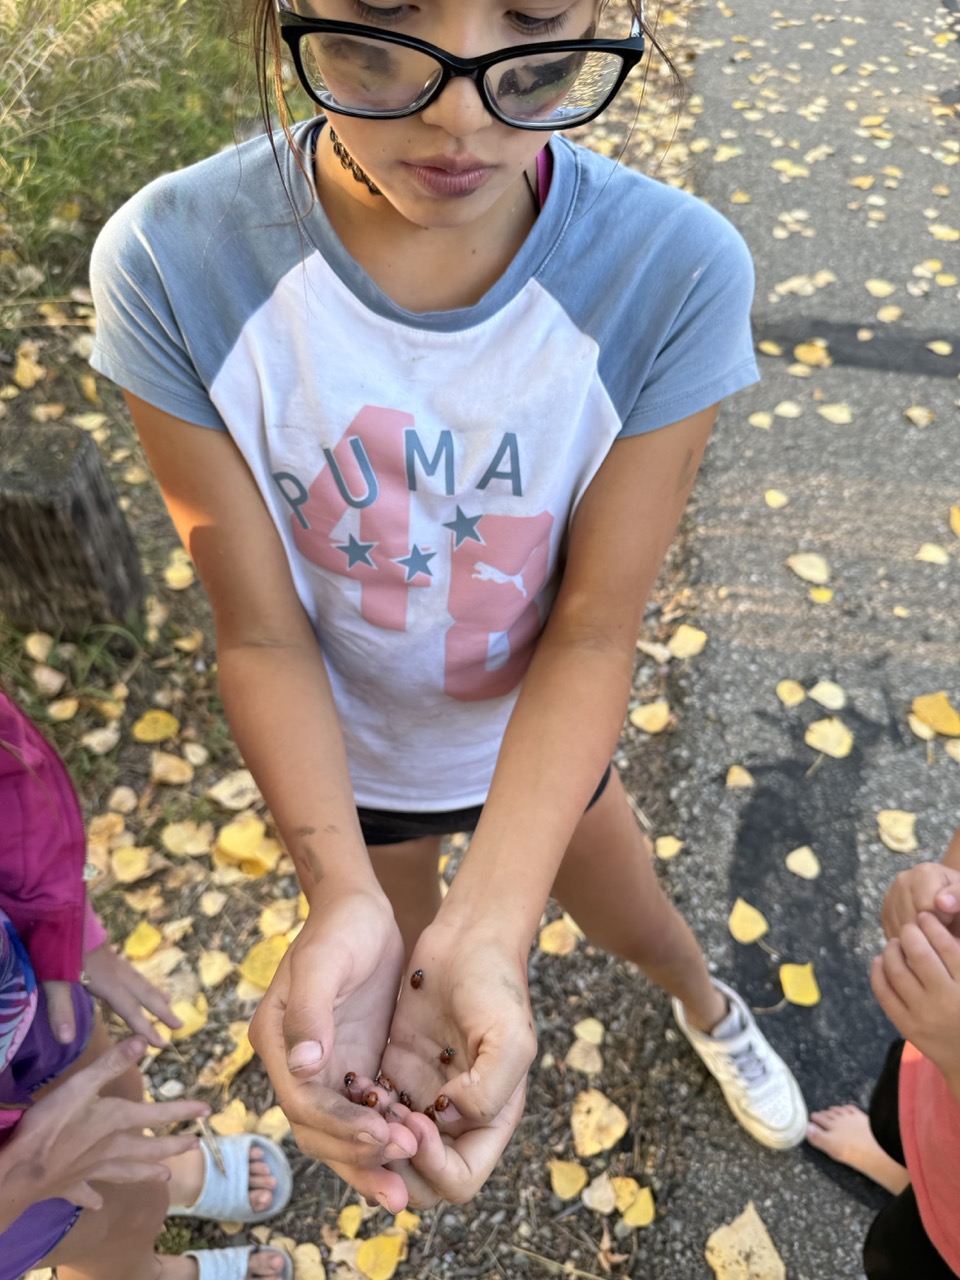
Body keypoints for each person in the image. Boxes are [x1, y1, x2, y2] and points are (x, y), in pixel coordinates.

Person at [88, 0, 807, 1212]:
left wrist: (497, 927)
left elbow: (592, 629)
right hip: (350, 773)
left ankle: (707, 1003)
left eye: (535, 25)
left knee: (640, 918)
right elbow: (260, 630)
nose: (462, 116)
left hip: (539, 747)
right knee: (392, 969)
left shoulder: (672, 272)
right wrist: (341, 894)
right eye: (378, 26)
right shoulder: (174, 263)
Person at [0, 689, 294, 1280]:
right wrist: (18, 1180)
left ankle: (157, 1178)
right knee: (104, 1218)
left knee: (111, 1087)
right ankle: (142, 1267)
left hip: (18, 992)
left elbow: (10, 781)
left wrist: (65, 926)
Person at [807, 828, 960, 1279]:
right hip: (937, 1074)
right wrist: (939, 895)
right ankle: (912, 1176)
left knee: (900, 1255)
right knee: (897, 1120)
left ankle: (921, 1189)